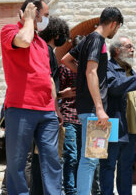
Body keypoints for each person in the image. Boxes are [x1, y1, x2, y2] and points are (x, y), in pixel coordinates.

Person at [0, 0, 62, 194]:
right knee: (17, 164)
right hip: (20, 109)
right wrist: (27, 20)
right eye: (44, 15)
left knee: (52, 162)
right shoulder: (9, 31)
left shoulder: (43, 44)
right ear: (32, 13)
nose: (47, 20)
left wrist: (56, 108)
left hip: (47, 112)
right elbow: (24, 41)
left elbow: (48, 78)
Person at [61, 7, 124, 195]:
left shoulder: (88, 38)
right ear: (113, 23)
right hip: (93, 109)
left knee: (89, 158)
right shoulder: (98, 40)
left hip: (86, 108)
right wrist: (99, 108)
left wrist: (80, 76)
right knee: (90, 159)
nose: (116, 32)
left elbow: (66, 59)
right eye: (117, 27)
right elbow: (91, 71)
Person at [99, 35, 136, 195]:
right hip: (113, 125)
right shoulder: (108, 67)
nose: (133, 50)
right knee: (108, 165)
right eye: (129, 46)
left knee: (126, 167)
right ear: (116, 50)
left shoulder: (130, 70)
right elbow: (114, 87)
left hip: (129, 128)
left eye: (132, 47)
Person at [29, 16, 69, 195]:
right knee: (48, 159)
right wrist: (57, 109)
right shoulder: (47, 52)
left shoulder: (41, 49)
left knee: (38, 159)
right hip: (46, 111)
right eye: (64, 36)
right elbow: (48, 83)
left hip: (38, 110)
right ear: (57, 34)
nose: (66, 40)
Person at [58, 35, 83, 195]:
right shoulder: (65, 68)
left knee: (83, 158)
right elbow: (55, 94)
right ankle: (70, 191)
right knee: (71, 157)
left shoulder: (90, 68)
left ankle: (81, 189)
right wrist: (63, 94)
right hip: (69, 117)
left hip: (87, 118)